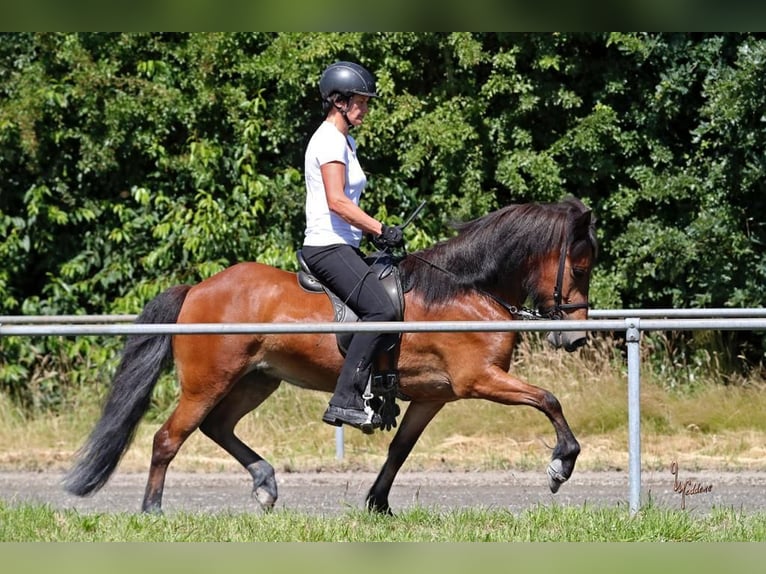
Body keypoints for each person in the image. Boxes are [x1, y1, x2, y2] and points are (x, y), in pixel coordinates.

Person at [301, 61, 404, 433]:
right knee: (381, 310)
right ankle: (345, 399)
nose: (365, 109)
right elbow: (337, 201)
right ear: (338, 101)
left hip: (344, 244)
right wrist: (380, 229)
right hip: (327, 247)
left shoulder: (347, 140)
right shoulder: (328, 140)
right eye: (360, 102)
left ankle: (381, 390)